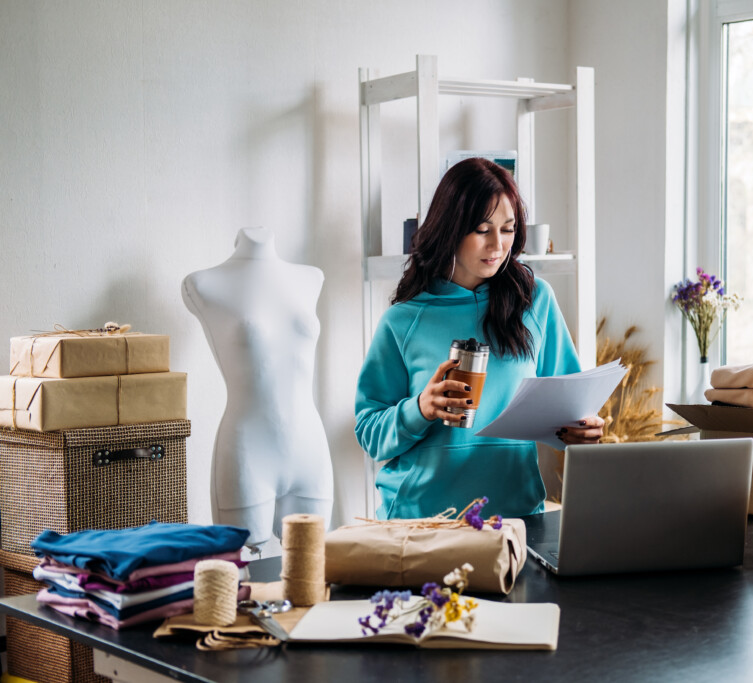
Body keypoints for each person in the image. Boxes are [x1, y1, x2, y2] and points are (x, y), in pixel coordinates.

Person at [355, 158, 604, 520]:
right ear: (450, 229)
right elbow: (369, 431)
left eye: (508, 229)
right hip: (421, 521)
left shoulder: (535, 300)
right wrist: (420, 409)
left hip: (515, 518)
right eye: (483, 229)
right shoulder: (403, 320)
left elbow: (569, 405)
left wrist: (581, 429)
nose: (498, 245)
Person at [182, 227, 334, 548]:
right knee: (242, 578)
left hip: (310, 447)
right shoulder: (204, 283)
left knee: (311, 569)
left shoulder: (310, 278)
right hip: (247, 452)